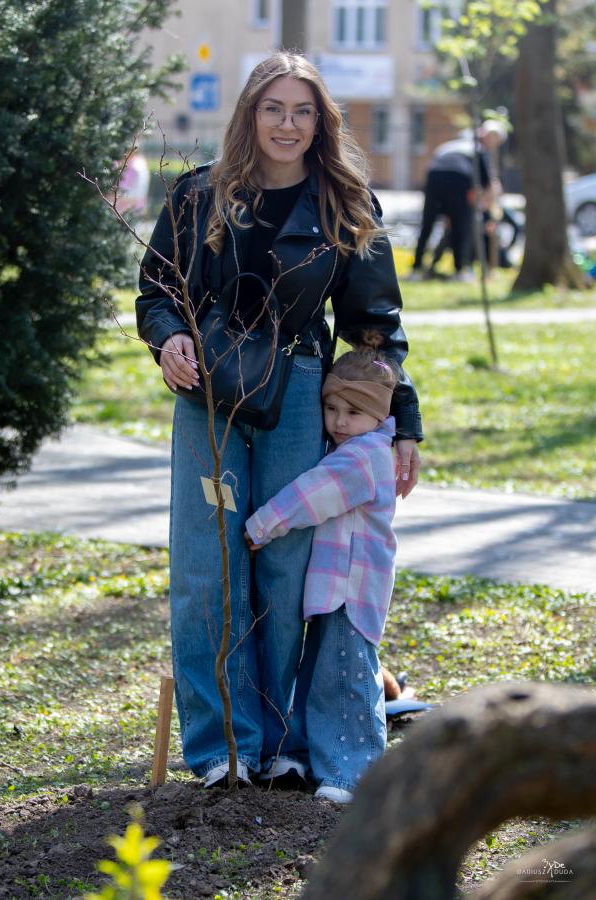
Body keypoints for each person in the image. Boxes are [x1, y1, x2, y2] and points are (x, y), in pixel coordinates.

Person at [135, 51, 423, 791]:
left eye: (302, 111)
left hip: (298, 391)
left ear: (321, 122)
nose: (287, 125)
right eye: (273, 109)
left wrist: (405, 420)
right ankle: (222, 748)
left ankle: (284, 744)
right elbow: (157, 289)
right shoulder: (200, 194)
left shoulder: (347, 204)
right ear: (250, 114)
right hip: (207, 393)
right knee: (207, 568)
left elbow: (374, 331)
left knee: (288, 567)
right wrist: (167, 337)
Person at [244, 334, 399, 803]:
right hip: (335, 589)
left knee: (347, 679)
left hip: (352, 588)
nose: (339, 422)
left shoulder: (365, 456)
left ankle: (352, 774)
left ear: (379, 416)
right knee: (319, 674)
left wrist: (263, 525)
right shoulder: (352, 447)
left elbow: (313, 494)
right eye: (331, 409)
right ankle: (318, 759)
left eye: (353, 412)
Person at [409, 120, 507, 281]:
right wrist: (488, 206)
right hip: (460, 180)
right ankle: (461, 270)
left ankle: (416, 269)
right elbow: (490, 184)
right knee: (460, 226)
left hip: (433, 177)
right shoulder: (478, 148)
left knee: (427, 225)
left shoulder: (447, 147)